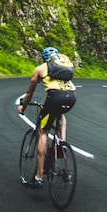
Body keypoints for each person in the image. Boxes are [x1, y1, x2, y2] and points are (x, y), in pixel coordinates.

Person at [17, 46, 76, 189]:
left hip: (55, 97)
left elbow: (29, 95)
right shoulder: (63, 69)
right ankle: (61, 143)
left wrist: (22, 108)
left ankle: (38, 177)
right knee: (60, 114)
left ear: (44, 58)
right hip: (71, 97)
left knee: (43, 131)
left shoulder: (40, 69)